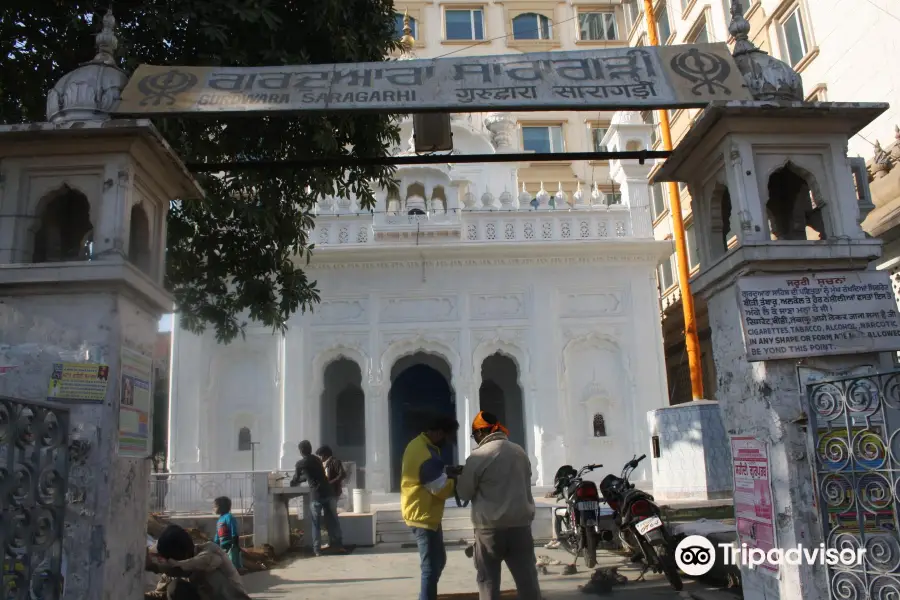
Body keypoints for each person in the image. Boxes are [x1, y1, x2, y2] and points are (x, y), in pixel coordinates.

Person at [456, 411, 542, 600]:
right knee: (527, 581)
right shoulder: (519, 451)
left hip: (490, 530)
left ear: (480, 433)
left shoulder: (479, 456)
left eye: (474, 435)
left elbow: (464, 492)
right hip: (520, 526)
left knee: (488, 582)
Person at [400, 415, 460, 600]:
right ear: (439, 433)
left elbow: (428, 474)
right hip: (422, 516)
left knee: (438, 562)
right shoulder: (426, 454)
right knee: (430, 568)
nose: (447, 442)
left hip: (426, 514)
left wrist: (447, 471)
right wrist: (459, 483)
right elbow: (439, 488)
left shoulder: (418, 444)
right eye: (447, 437)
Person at [151, 524, 251, 600]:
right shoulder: (174, 570)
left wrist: (159, 567)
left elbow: (206, 561)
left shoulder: (210, 551)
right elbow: (159, 594)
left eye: (169, 560)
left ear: (185, 555)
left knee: (177, 588)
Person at [290, 439, 345, 556]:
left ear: (301, 451)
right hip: (329, 493)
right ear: (310, 449)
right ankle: (337, 545)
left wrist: (293, 482)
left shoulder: (300, 464)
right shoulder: (317, 460)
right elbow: (311, 475)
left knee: (316, 523)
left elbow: (296, 479)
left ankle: (317, 549)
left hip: (316, 495)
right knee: (333, 520)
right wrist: (304, 478)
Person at [316, 445, 348, 516]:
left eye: (320, 456)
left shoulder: (335, 462)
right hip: (327, 492)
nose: (319, 458)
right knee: (328, 511)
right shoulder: (324, 464)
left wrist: (330, 483)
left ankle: (333, 525)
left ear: (324, 455)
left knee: (331, 512)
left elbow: (342, 474)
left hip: (333, 491)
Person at [213, 496, 243, 571]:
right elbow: (217, 535)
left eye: (215, 506)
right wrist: (214, 545)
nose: (214, 508)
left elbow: (234, 530)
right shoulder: (219, 520)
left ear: (221, 507)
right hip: (222, 548)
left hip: (231, 546)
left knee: (233, 565)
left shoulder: (229, 517)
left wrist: (234, 544)